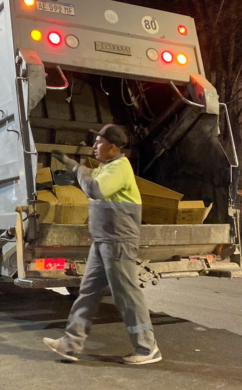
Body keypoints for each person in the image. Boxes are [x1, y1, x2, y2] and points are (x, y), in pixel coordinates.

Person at [43, 124, 161, 365]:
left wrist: (76, 168)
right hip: (103, 241)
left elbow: (94, 189)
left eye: (99, 142)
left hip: (118, 241)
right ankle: (70, 344)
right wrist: (72, 164)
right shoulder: (107, 167)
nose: (94, 146)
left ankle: (147, 348)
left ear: (113, 147)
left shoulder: (119, 167)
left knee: (127, 294)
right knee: (87, 292)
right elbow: (92, 178)